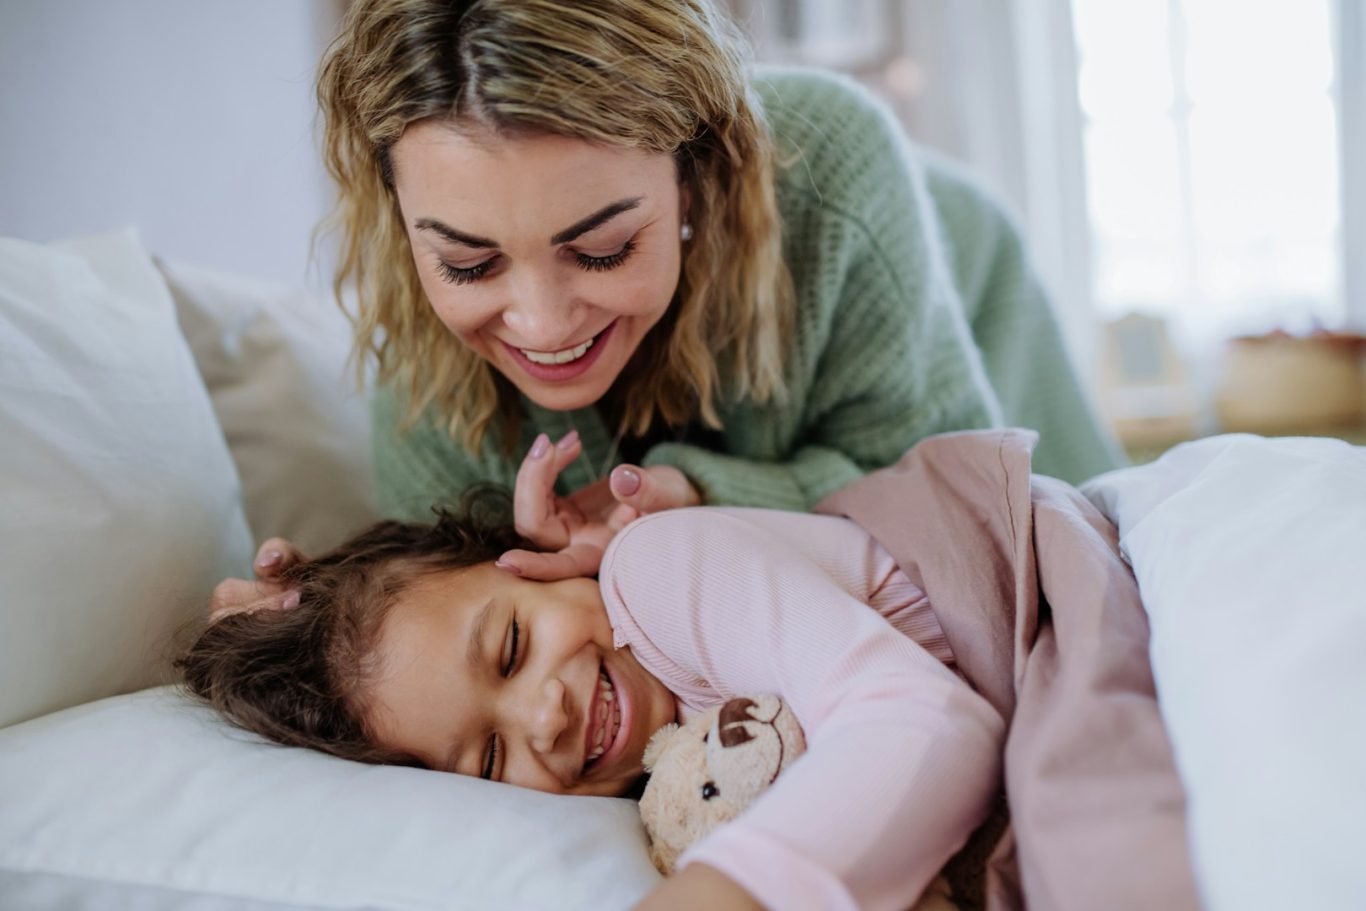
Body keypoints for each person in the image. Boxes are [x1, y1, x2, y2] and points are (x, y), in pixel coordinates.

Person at [212, 0, 1121, 610]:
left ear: (696, 176)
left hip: (953, 269)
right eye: (469, 264)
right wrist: (323, 627)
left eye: (603, 248)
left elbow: (956, 502)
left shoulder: (838, 173)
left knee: (1087, 575)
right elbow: (463, 597)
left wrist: (703, 501)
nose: (542, 323)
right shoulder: (410, 300)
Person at [182, 488, 1004, 911]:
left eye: (509, 647)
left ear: (529, 560)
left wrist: (727, 890)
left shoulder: (654, 572)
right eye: (491, 758)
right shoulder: (668, 790)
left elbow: (926, 720)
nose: (544, 717)